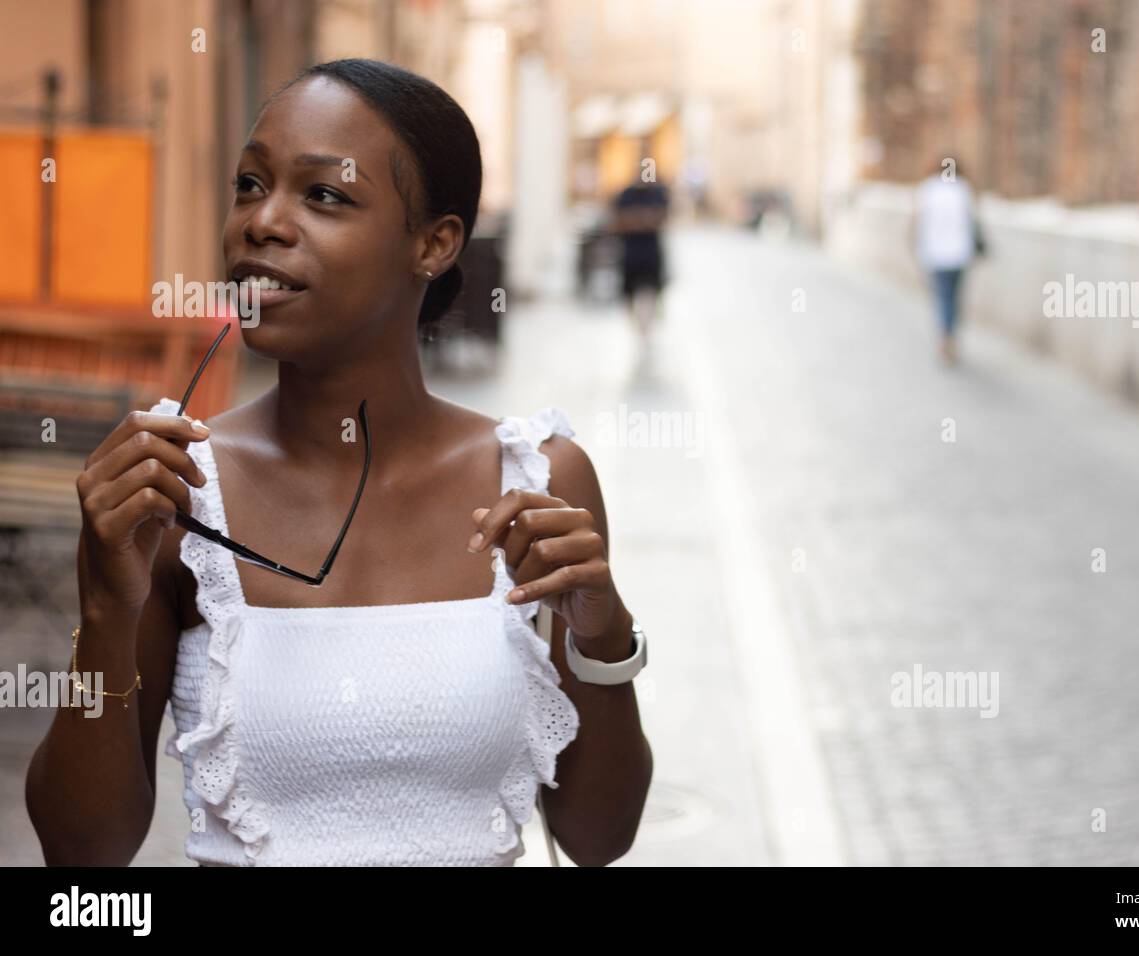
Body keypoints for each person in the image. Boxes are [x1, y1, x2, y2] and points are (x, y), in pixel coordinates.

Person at [26, 59, 653, 867]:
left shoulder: (538, 479)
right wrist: (107, 608)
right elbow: (83, 854)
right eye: (250, 186)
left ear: (434, 243)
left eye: (324, 196)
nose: (262, 222)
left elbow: (599, 839)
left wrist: (603, 634)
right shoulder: (176, 493)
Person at [910, 158, 980, 366]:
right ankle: (950, 335)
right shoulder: (963, 189)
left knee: (943, 297)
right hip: (959, 255)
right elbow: (972, 220)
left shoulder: (928, 189)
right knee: (954, 297)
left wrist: (916, 247)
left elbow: (918, 221)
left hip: (936, 254)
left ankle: (945, 336)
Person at [611, 163, 670, 346]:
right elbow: (620, 221)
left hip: (650, 255)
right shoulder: (626, 195)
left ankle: (646, 330)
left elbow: (660, 219)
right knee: (631, 292)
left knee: (650, 292)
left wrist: (638, 220)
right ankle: (637, 328)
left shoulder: (657, 194)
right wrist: (643, 220)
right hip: (631, 255)